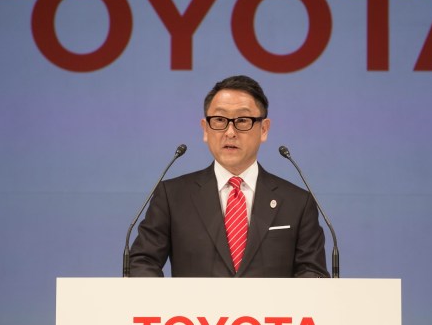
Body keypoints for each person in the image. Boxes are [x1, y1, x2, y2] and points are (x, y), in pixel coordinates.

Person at [129, 75, 329, 277]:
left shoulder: (297, 203)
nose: (230, 132)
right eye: (219, 120)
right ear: (205, 129)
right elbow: (142, 263)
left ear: (264, 129)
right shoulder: (172, 196)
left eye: (243, 120)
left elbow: (312, 273)